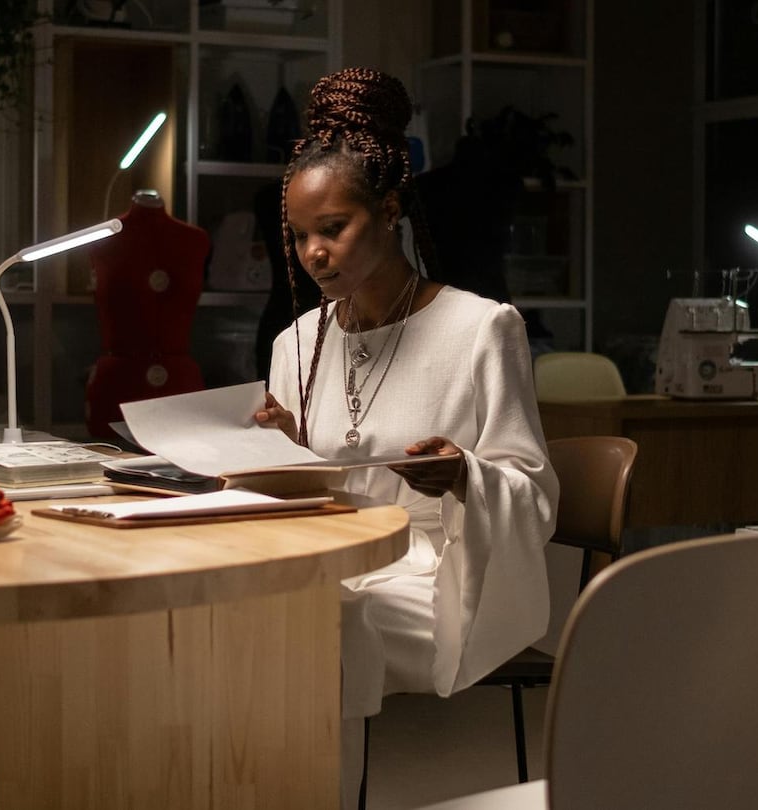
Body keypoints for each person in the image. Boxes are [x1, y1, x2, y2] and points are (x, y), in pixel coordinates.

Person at [252, 67, 558, 805]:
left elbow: (535, 494)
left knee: (322, 624)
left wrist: (464, 477)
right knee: (245, 614)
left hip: (440, 572)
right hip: (331, 563)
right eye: (298, 236)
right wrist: (279, 455)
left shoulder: (483, 328)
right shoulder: (297, 342)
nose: (313, 253)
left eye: (334, 228)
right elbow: (307, 499)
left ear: (390, 211)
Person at [85, 189, 209, 438]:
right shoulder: (103, 239)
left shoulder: (195, 240)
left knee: (187, 467)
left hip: (178, 382)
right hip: (118, 382)